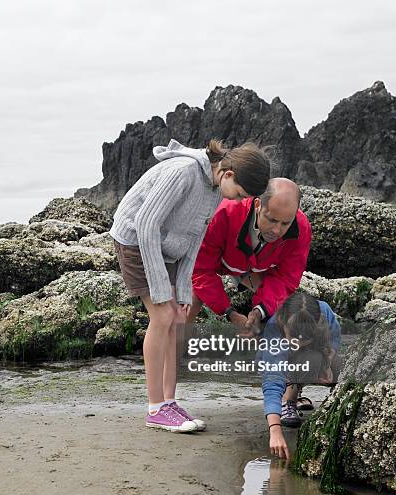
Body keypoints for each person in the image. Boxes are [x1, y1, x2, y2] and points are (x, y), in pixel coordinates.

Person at [110, 138, 271, 432]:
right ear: (228, 175)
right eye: (239, 194)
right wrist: (162, 291)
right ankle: (155, 408)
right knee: (162, 316)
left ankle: (169, 402)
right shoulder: (183, 172)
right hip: (136, 240)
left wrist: (182, 291)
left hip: (166, 245)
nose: (236, 201)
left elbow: (194, 240)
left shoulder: (214, 189)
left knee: (177, 318)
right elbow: (146, 223)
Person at [188, 178, 312, 337]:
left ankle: (265, 355)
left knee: (277, 310)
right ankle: (175, 353)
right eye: (271, 219)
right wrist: (229, 312)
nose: (276, 230)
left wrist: (259, 312)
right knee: (191, 300)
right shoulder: (223, 213)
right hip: (218, 260)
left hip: (256, 268)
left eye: (285, 224)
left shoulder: (301, 228)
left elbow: (286, 278)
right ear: (257, 205)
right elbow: (201, 271)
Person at [258, 292, 341, 459]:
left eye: (305, 340)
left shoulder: (324, 312)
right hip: (282, 361)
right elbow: (272, 382)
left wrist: (327, 363)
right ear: (283, 324)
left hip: (316, 353)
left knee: (338, 364)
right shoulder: (275, 329)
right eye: (294, 338)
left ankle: (333, 400)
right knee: (301, 359)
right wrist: (275, 430)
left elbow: (334, 339)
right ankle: (289, 399)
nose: (298, 344)